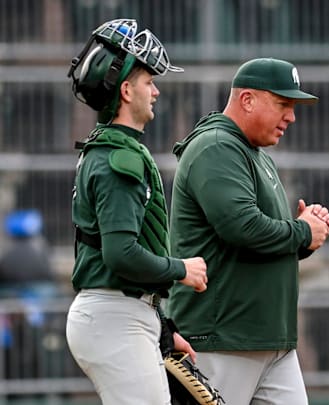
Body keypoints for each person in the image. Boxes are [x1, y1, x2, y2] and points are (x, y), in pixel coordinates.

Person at [166, 57, 329, 404]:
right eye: (283, 104)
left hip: (270, 341)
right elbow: (241, 227)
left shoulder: (254, 153)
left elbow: (260, 237)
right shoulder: (216, 146)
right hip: (222, 338)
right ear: (247, 99)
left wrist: (306, 236)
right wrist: (301, 232)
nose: (292, 116)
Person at [65, 19, 208, 404]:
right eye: (149, 82)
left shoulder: (110, 148)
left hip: (121, 313)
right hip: (113, 318)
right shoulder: (118, 157)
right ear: (126, 90)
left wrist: (159, 326)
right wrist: (182, 269)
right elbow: (120, 254)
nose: (156, 91)